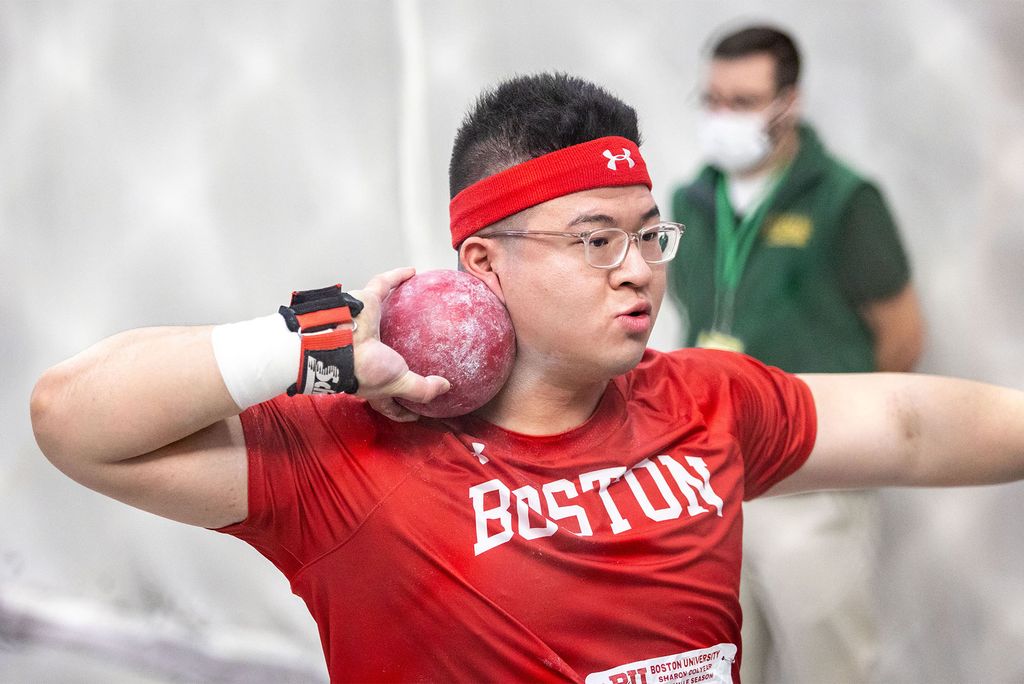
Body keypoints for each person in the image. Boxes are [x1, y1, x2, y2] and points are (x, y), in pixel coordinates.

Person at [30, 72, 1023, 683]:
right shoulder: (353, 452)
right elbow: (72, 417)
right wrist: (311, 345)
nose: (637, 269)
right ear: (484, 265)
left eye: (647, 237)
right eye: (595, 241)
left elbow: (908, 428)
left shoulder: (704, 400)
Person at [668, 25, 926, 683]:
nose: (723, 117)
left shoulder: (844, 200)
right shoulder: (688, 201)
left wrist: (849, 428)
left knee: (826, 659)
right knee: (720, 657)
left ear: (790, 102)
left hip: (812, 468)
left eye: (744, 100)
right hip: (712, 470)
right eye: (713, 99)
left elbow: (902, 334)